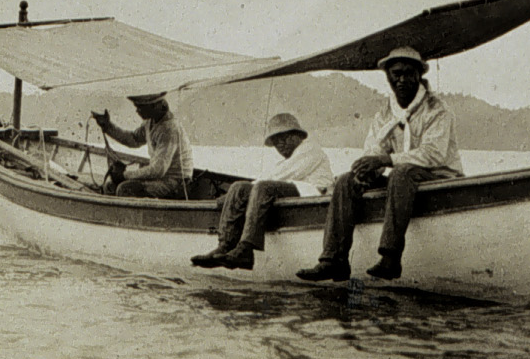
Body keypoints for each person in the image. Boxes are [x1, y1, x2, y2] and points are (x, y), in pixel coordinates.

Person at [297, 46, 464, 283]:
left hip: (438, 179)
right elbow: (376, 148)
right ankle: (333, 260)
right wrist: (368, 166)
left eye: (408, 73)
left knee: (402, 172)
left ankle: (390, 257)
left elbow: (433, 155)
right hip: (403, 184)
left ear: (419, 75)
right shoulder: (386, 113)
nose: (402, 80)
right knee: (346, 180)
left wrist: (385, 160)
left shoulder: (437, 109)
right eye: (396, 74)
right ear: (388, 77)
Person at [190, 112, 334, 271]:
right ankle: (225, 246)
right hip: (296, 191)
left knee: (261, 187)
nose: (280, 144)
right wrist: (234, 193)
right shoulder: (290, 159)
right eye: (276, 141)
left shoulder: (310, 150)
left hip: (312, 193)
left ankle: (246, 247)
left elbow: (280, 176)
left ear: (297, 136)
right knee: (239, 187)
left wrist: (235, 194)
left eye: (284, 138)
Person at [91, 92, 195, 198]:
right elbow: (134, 139)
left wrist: (124, 175)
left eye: (140, 107)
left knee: (125, 189)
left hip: (176, 183)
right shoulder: (151, 122)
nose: (137, 111)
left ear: (154, 106)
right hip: (162, 178)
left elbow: (158, 170)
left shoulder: (169, 129)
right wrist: (108, 126)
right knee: (111, 186)